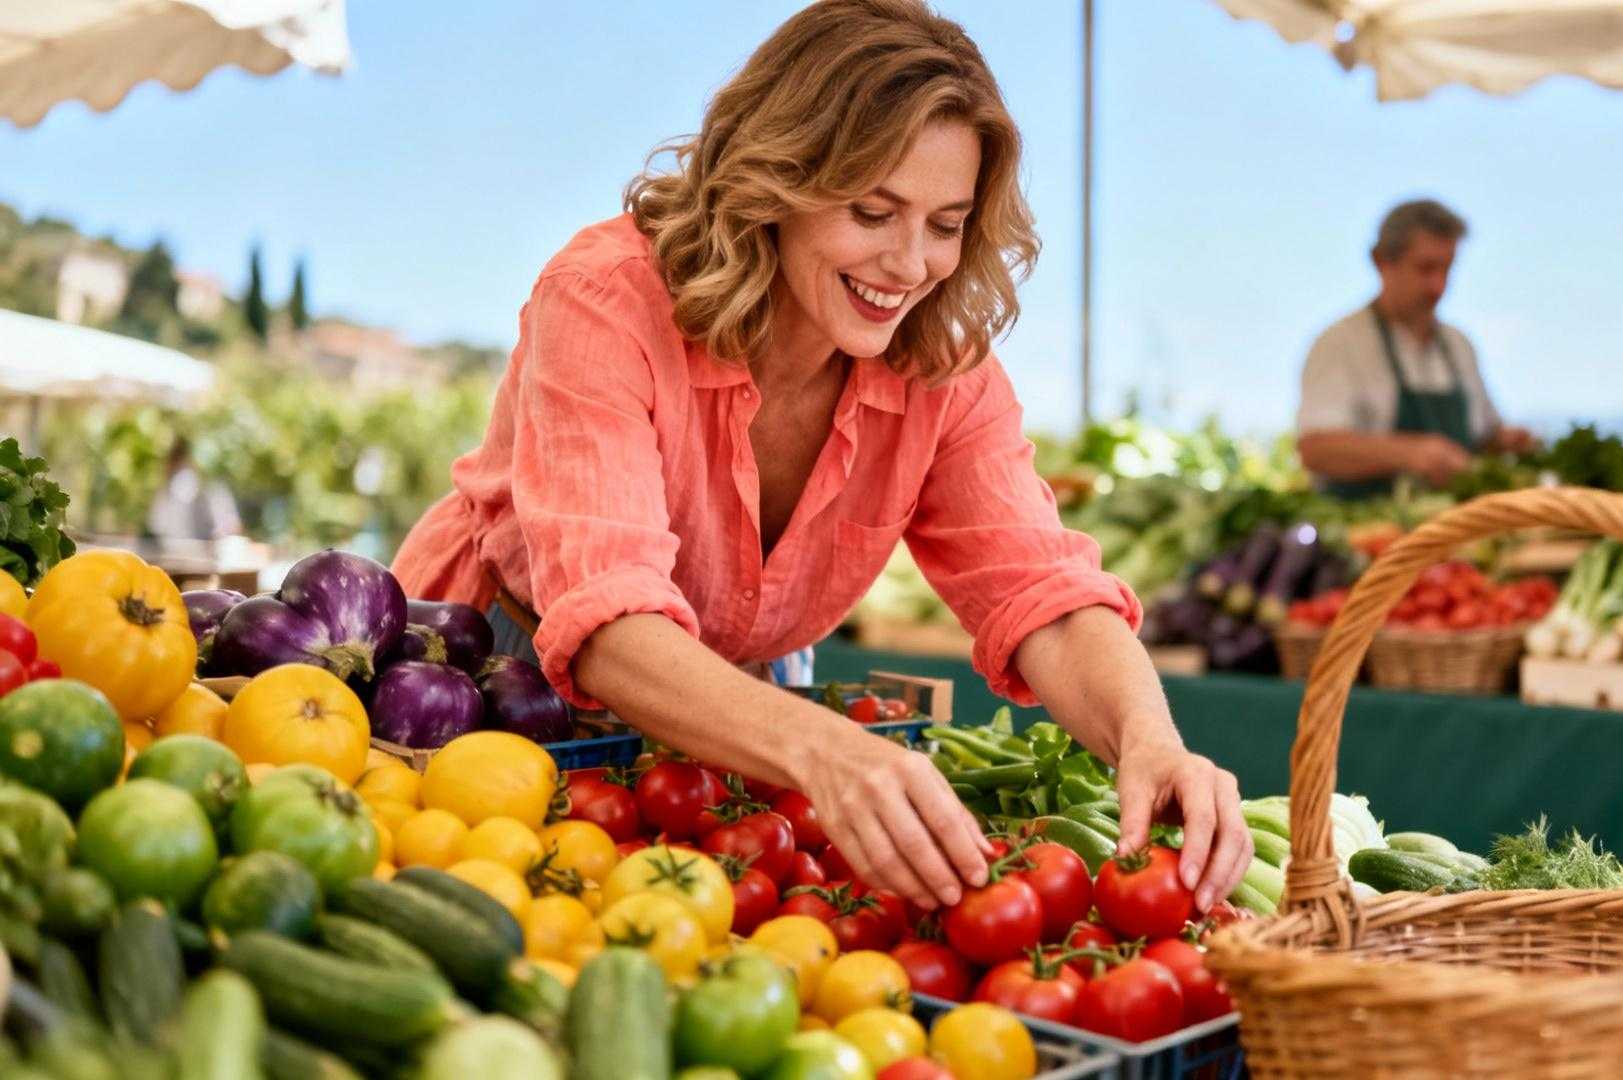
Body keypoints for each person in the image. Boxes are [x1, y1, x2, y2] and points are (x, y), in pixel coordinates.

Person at [392, 0, 1249, 913]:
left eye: (947, 223)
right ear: (777, 183)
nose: (911, 263)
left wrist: (1149, 738)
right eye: (873, 211)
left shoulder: (941, 366)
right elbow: (606, 623)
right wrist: (823, 748)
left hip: (730, 712)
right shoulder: (607, 301)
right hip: (480, 684)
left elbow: (1042, 592)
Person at [1296, 199, 1532, 497]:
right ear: (1381, 262)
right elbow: (1316, 450)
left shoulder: (1459, 346)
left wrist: (1506, 442)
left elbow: (1483, 437)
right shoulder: (1340, 344)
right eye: (1425, 268)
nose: (1438, 286)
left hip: (1457, 528)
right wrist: (1412, 453)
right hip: (1370, 533)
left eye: (1446, 268)